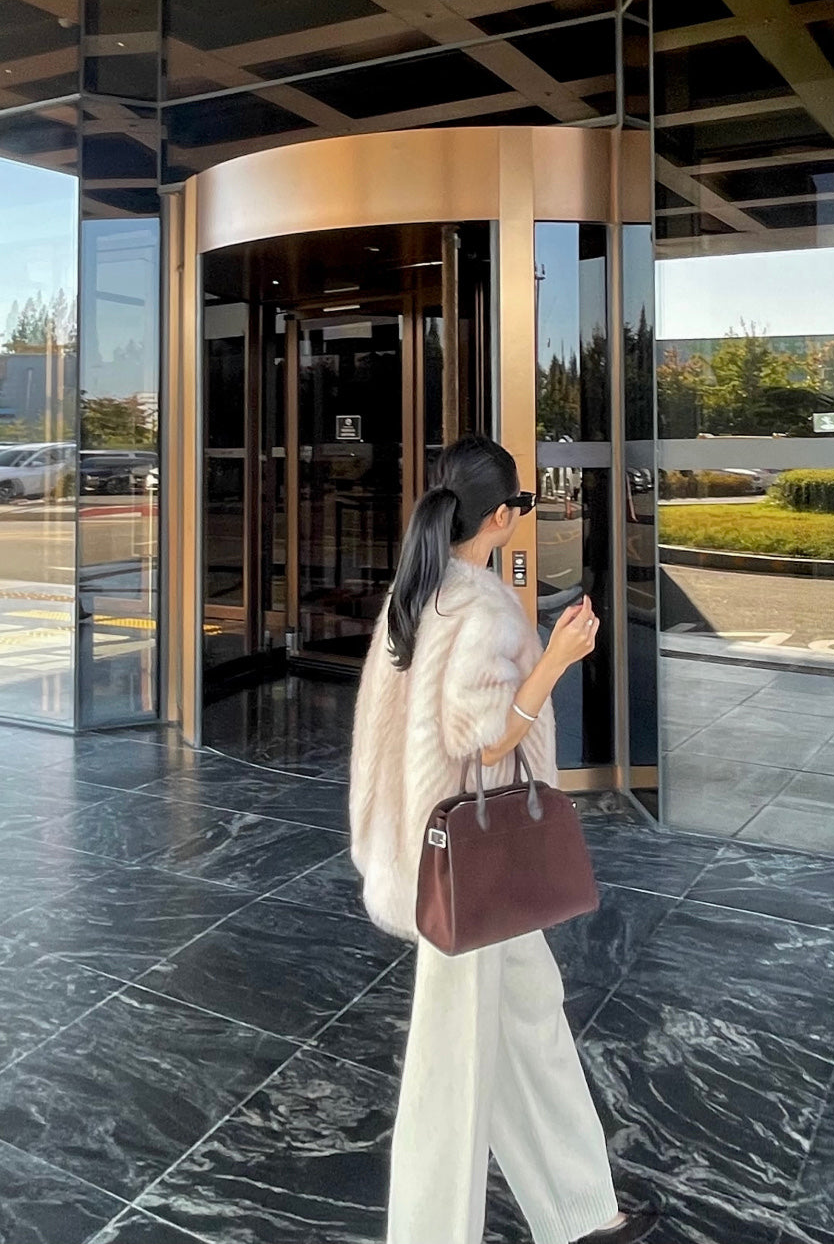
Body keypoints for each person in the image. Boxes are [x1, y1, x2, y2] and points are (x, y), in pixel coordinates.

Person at [349, 434, 656, 1244]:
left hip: (451, 855)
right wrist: (556, 659)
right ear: (499, 517)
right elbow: (484, 740)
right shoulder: (480, 608)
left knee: (531, 1023)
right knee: (451, 1073)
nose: (522, 514)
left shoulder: (419, 591)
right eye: (520, 504)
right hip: (466, 863)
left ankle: (584, 1214)